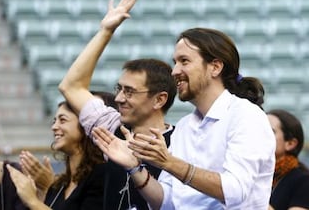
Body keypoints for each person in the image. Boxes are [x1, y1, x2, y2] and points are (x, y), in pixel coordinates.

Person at [92, 27, 276, 209]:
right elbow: (167, 202)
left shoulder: (246, 116)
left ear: (215, 67)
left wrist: (169, 163)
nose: (174, 71)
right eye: (175, 62)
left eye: (184, 61)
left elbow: (234, 191)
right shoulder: (184, 126)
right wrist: (135, 169)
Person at [58, 0, 177, 209]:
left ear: (159, 100)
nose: (119, 98)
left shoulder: (183, 141)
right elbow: (71, 86)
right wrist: (106, 30)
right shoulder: (111, 128)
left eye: (130, 91)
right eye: (119, 89)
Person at [267, 109, 309, 210]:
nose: (261, 135)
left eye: (269, 131)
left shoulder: (304, 181)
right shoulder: (252, 173)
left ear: (290, 144)